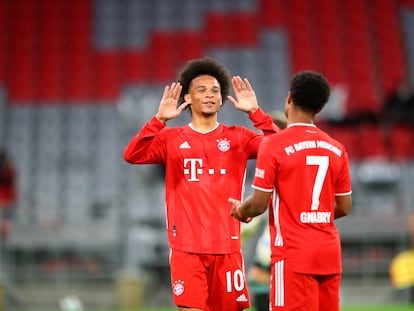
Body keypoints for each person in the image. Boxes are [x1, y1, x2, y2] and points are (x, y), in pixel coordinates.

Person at [123, 57, 279, 311]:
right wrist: (159, 120)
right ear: (188, 99)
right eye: (202, 90)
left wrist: (256, 113)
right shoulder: (170, 139)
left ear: (221, 99)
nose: (209, 95)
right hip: (186, 249)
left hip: (227, 248)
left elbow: (281, 149)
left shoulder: (238, 137)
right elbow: (132, 155)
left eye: (215, 90)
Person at [229, 71, 352, 311]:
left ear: (289, 98)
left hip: (293, 254)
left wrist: (240, 210)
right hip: (329, 252)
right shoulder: (337, 148)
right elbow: (344, 207)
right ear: (319, 109)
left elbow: (258, 204)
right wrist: (315, 214)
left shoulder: (273, 145)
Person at [245, 110, 287, 311]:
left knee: (260, 277)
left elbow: (256, 208)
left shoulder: (273, 166)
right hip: (303, 242)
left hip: (277, 244)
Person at [0, 148, 17, 240]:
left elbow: (5, 180)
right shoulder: (8, 169)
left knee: (6, 219)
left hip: (8, 199)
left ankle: (5, 236)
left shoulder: (9, 169)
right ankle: (4, 235)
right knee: (4, 218)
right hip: (3, 199)